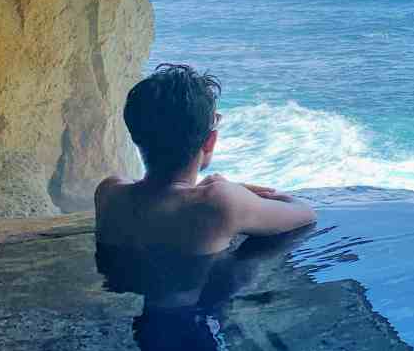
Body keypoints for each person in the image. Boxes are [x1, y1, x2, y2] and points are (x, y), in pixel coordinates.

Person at [95, 63, 316, 254]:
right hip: (197, 302)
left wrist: (209, 191)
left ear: (134, 135)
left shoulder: (109, 192)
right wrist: (234, 192)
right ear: (210, 142)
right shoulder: (219, 202)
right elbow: (305, 213)